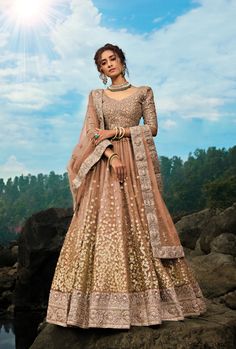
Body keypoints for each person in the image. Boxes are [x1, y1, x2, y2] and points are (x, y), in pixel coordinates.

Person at [46, 43, 206, 329]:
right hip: (107, 165)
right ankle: (95, 307)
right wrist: (113, 154)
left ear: (122, 60)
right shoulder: (96, 97)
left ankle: (148, 304)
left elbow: (152, 128)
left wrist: (118, 132)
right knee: (102, 227)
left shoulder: (144, 91)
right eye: (103, 63)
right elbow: (93, 132)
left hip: (137, 166)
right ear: (100, 70)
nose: (109, 64)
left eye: (113, 59)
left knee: (141, 225)